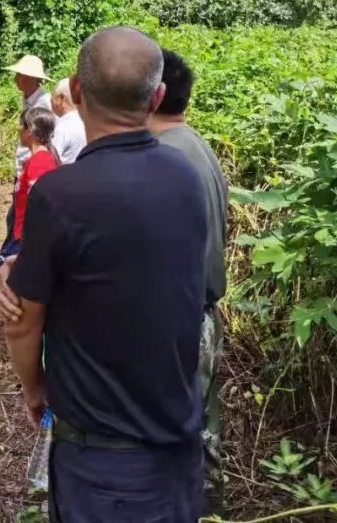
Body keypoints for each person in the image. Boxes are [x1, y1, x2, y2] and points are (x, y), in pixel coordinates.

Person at [0, 26, 208, 521]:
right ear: (156, 97)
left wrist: (34, 387)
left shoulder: (60, 195)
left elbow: (23, 318)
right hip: (178, 446)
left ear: (77, 88)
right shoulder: (185, 178)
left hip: (101, 462)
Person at [150, 49, 229, 517]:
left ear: (150, 94)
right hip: (203, 315)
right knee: (202, 433)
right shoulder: (198, 146)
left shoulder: (160, 157)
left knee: (170, 443)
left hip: (174, 322)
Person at [0, 54, 51, 277]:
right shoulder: (29, 100)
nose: (16, 79)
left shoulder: (44, 103)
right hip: (24, 165)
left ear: (31, 78)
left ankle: (8, 261)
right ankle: (10, 259)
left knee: (19, 217)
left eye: (20, 75)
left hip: (35, 169)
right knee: (16, 215)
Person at [0, 107, 60, 263]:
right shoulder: (36, 160)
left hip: (29, 238)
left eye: (22, 125)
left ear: (30, 131)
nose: (19, 129)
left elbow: (41, 204)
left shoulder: (39, 162)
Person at [49, 78, 86, 165]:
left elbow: (49, 161)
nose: (50, 101)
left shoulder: (62, 128)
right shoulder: (86, 122)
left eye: (53, 96)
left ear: (61, 99)